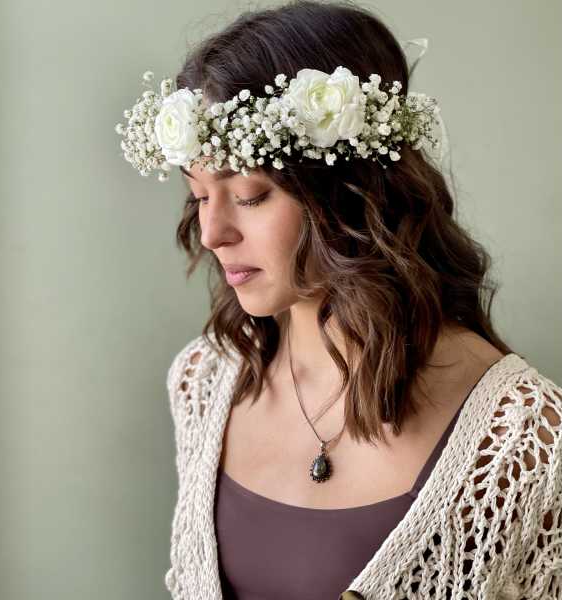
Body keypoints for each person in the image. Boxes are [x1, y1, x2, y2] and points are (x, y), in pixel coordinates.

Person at [115, 2, 562, 598]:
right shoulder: (204, 381)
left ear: (351, 193)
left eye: (249, 195)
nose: (212, 232)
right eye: (199, 196)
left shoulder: (521, 437)